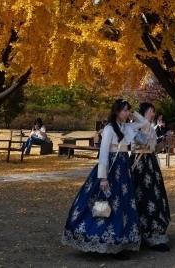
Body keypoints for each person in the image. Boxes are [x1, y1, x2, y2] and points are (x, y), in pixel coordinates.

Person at [62, 99, 143, 255]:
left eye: (128, 111)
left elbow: (144, 124)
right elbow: (103, 154)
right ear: (116, 111)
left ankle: (119, 240)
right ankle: (101, 239)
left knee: (123, 204)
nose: (126, 113)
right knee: (107, 202)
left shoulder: (126, 127)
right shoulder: (109, 129)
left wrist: (134, 113)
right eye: (124, 110)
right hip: (111, 169)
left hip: (124, 168)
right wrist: (103, 178)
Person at [130, 103, 171, 251]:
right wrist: (150, 133)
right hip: (139, 165)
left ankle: (154, 233)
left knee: (155, 196)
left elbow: (154, 149)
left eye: (153, 111)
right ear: (145, 112)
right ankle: (139, 233)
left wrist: (163, 142)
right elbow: (141, 143)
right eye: (151, 111)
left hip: (151, 165)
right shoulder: (134, 126)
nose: (153, 114)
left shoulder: (150, 127)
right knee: (141, 196)